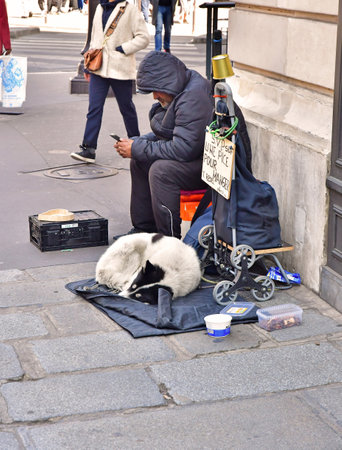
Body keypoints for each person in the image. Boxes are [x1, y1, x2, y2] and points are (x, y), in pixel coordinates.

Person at [113, 51, 213, 239]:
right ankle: (144, 229)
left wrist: (137, 148)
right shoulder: (182, 89)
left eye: (155, 91)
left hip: (207, 166)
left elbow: (183, 148)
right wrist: (139, 144)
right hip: (196, 156)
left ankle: (167, 239)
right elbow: (174, 134)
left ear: (165, 83)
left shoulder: (193, 97)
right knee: (139, 160)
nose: (154, 97)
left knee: (161, 170)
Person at [70, 0, 149, 163]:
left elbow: (144, 38)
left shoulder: (130, 9)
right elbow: (94, 39)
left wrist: (124, 48)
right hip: (99, 68)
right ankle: (88, 148)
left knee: (126, 108)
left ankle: (137, 145)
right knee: (94, 108)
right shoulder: (99, 7)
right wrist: (88, 67)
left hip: (120, 67)